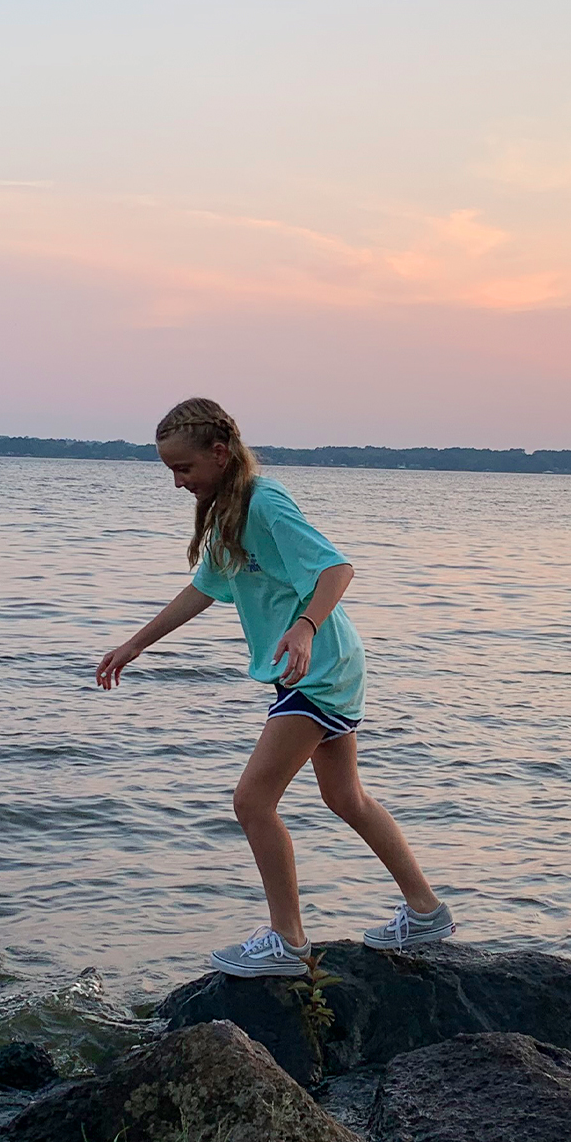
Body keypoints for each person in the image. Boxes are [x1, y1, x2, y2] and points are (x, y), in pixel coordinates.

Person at [96, 397, 452, 976]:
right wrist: (136, 644)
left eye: (184, 470)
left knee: (252, 801)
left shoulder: (264, 503)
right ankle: (427, 912)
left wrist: (305, 628)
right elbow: (204, 589)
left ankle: (288, 941)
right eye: (170, 472)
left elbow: (336, 569)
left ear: (220, 453)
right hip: (319, 668)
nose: (178, 483)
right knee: (345, 798)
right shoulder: (229, 512)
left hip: (319, 668)